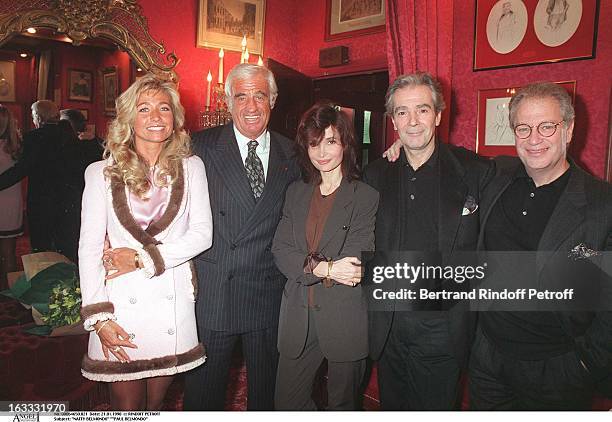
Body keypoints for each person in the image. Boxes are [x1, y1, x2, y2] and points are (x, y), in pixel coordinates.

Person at [469, 82, 612, 410]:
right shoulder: (497, 177)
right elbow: (449, 164)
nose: (534, 138)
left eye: (547, 126)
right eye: (524, 127)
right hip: (488, 358)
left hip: (557, 368)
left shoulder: (603, 203)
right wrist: (402, 147)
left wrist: (586, 364)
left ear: (569, 129)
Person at [78, 74, 213, 410]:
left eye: (164, 108)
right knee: (127, 410)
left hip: (173, 301)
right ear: (128, 119)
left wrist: (142, 258)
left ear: (175, 118)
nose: (156, 116)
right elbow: (90, 249)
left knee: (154, 406)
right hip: (120, 306)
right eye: (144, 108)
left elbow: (202, 235)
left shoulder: (192, 167)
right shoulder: (101, 172)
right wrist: (99, 317)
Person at [363, 71, 494, 410]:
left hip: (444, 329)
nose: (413, 121)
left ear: (438, 115)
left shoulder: (475, 171)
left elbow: (534, 163)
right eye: (402, 112)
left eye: (422, 109)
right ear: (393, 121)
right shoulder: (374, 176)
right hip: (388, 325)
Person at [184, 63, 300, 410]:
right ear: (228, 102)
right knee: (203, 397)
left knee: (267, 397)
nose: (251, 107)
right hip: (216, 292)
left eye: (260, 96)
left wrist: (397, 148)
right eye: (242, 97)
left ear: (273, 100)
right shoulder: (198, 147)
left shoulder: (293, 153)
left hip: (268, 294)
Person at [272, 103, 379, 410]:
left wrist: (316, 266)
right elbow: (280, 250)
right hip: (298, 317)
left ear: (345, 143)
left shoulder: (365, 196)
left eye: (330, 141)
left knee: (342, 407)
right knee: (286, 404)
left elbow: (355, 262)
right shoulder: (296, 192)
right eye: (314, 143)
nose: (321, 152)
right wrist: (326, 268)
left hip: (344, 317)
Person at [0, 105, 22, 290]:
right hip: (11, 200)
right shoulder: (16, 144)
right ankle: (11, 291)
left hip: (6, 199)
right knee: (9, 252)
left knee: (7, 252)